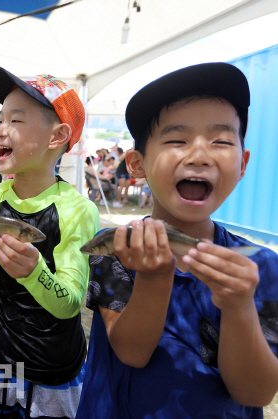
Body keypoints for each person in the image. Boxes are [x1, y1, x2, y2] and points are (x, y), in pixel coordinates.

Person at [77, 62, 278, 418]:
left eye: (221, 140)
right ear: (137, 164)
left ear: (243, 163)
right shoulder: (116, 246)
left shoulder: (262, 267)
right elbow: (132, 351)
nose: (199, 155)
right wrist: (153, 277)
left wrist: (238, 306)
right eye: (176, 140)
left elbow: (255, 391)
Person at [0, 68, 99, 419]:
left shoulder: (77, 210)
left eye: (15, 120)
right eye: (0, 119)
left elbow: (71, 304)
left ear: (57, 136)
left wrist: (35, 272)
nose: (0, 129)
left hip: (52, 371)